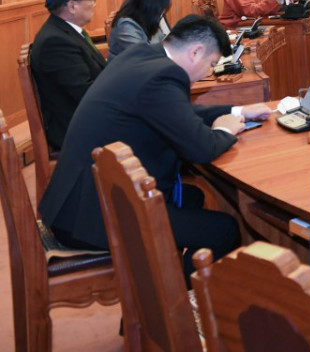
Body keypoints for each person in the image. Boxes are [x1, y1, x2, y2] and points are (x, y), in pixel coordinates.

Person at [39, 15, 270, 273]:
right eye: (212, 64)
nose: (209, 72)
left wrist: (237, 110)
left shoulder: (142, 55)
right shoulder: (163, 76)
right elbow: (202, 148)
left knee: (193, 197)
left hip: (79, 202)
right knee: (224, 230)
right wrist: (225, 130)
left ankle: (174, 274)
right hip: (93, 219)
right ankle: (179, 296)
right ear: (196, 52)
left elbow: (176, 113)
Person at [29, 0, 105, 151]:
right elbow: (85, 93)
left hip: (86, 116)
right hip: (77, 128)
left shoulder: (65, 31)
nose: (94, 4)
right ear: (72, 6)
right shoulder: (56, 42)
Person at [108, 0, 173, 59]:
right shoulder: (125, 26)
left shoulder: (150, 21)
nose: (163, 14)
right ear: (153, 7)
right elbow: (144, 56)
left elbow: (165, 44)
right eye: (163, 9)